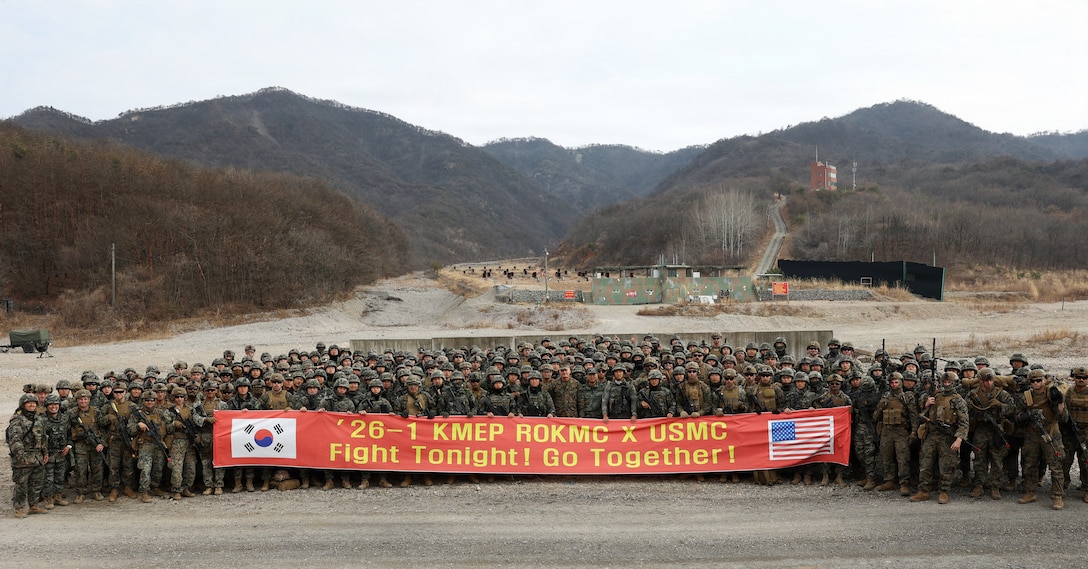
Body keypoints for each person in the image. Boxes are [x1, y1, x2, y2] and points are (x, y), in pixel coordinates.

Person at [911, 371, 969, 504]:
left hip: (947, 437)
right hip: (931, 435)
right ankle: (924, 490)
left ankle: (944, 491)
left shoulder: (958, 400)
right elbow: (922, 416)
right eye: (945, 382)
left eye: (950, 382)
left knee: (946, 465)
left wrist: (959, 439)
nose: (947, 384)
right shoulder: (936, 397)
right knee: (925, 463)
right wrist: (926, 405)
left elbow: (964, 423)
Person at [1015, 368, 1066, 509]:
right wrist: (1022, 417)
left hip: (1051, 435)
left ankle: (1058, 496)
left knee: (1055, 466)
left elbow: (1064, 417)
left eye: (1039, 380)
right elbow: (1016, 415)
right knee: (1029, 465)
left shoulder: (1052, 394)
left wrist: (1059, 403)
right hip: (1032, 435)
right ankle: (1030, 492)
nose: (1036, 383)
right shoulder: (1026, 396)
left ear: (1044, 380)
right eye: (1033, 381)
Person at [965, 368, 1015, 500]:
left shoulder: (1001, 394)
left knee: (997, 460)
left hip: (996, 430)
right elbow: (964, 411)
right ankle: (979, 485)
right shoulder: (973, 394)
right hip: (981, 429)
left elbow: (1012, 409)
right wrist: (970, 407)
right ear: (980, 381)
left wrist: (1000, 405)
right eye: (986, 380)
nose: (989, 383)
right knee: (979, 459)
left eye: (991, 380)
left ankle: (995, 486)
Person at [875, 373, 918, 496]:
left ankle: (904, 483)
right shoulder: (885, 397)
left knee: (903, 458)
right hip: (887, 431)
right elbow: (876, 417)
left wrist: (914, 431)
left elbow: (914, 415)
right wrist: (881, 408)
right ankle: (889, 480)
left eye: (896, 382)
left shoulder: (907, 397)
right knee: (887, 457)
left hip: (901, 431)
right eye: (892, 382)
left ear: (901, 382)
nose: (893, 385)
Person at [8, 394, 51, 517]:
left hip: (37, 457)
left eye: (34, 403)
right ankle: (19, 508)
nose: (32, 405)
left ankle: (34, 505)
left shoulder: (38, 419)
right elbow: (15, 440)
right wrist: (21, 457)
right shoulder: (17, 420)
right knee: (21, 484)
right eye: (29, 403)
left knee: (36, 483)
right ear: (23, 404)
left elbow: (43, 437)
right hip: (23, 457)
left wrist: (45, 453)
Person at [129, 390, 171, 503]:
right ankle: (144, 491)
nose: (149, 402)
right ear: (143, 401)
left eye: (152, 400)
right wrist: (138, 425)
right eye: (147, 400)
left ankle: (155, 487)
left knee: (158, 468)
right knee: (145, 469)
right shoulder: (137, 414)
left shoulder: (160, 412)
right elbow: (130, 429)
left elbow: (169, 425)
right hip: (145, 444)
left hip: (158, 443)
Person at [163, 387, 204, 500]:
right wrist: (173, 424)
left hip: (189, 441)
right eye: (177, 397)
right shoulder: (169, 412)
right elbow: (165, 428)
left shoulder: (190, 410)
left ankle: (186, 488)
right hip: (177, 441)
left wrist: (197, 435)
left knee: (190, 466)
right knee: (177, 467)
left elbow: (196, 421)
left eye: (181, 397)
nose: (179, 399)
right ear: (173, 398)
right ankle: (176, 490)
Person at [69, 389, 106, 503]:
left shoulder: (96, 411)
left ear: (89, 400)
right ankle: (81, 492)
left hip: (95, 444)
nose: (83, 401)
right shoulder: (72, 413)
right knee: (80, 469)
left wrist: (102, 443)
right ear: (77, 400)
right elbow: (68, 429)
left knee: (97, 468)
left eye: (85, 399)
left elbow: (104, 428)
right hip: (81, 445)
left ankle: (97, 490)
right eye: (81, 399)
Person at [1060, 366, 1088, 502]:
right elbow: (1063, 412)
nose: (1081, 380)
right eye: (1078, 377)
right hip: (1071, 433)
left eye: (1084, 378)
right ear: (1074, 378)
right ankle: (1062, 486)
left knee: (1086, 462)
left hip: (1086, 435)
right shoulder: (1069, 393)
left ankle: (1086, 487)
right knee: (1065, 461)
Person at [41, 394, 71, 508]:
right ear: (47, 406)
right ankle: (48, 499)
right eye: (51, 405)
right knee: (48, 477)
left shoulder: (65, 418)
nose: (54, 407)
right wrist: (44, 452)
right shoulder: (41, 420)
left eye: (56, 404)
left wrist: (68, 446)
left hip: (61, 453)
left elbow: (70, 434)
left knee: (60, 476)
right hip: (48, 454)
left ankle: (58, 497)